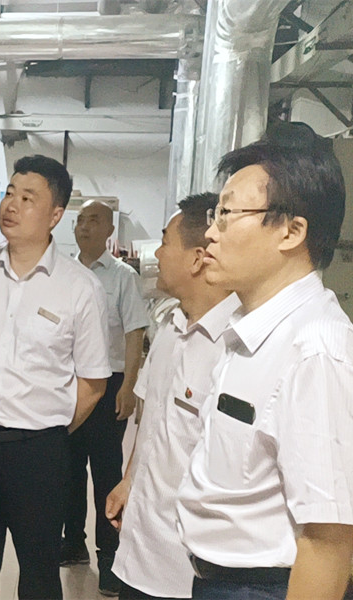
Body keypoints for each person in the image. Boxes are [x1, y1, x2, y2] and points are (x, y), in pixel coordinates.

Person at [176, 122, 353, 599]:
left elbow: (329, 542)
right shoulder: (250, 327)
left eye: (227, 214)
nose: (210, 233)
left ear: (292, 231)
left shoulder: (315, 351)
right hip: (221, 580)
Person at [0, 154, 111, 600]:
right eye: (9, 193)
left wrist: (46, 429)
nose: (11, 205)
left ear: (55, 215)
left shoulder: (80, 288)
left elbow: (93, 382)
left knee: (38, 576)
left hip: (39, 455)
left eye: (28, 198)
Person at [105, 192, 241, 599]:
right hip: (137, 550)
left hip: (183, 571)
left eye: (165, 242)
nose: (158, 254)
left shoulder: (234, 348)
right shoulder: (171, 326)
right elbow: (151, 419)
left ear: (198, 258)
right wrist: (129, 480)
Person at [61, 200, 148, 596]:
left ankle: (109, 558)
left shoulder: (123, 277)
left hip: (109, 383)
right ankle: (72, 543)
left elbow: (134, 333)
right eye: (79, 220)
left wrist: (129, 386)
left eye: (93, 220)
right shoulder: (63, 272)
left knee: (106, 473)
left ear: (110, 229)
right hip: (69, 382)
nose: (84, 226)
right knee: (68, 468)